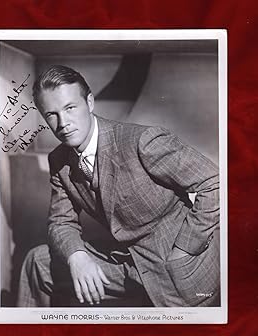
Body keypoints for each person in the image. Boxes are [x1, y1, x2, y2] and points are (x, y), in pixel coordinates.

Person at [17, 65, 220, 307]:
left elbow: (214, 183)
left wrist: (185, 250)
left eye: (70, 108)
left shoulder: (142, 141)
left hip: (179, 269)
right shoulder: (59, 160)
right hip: (124, 263)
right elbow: (61, 221)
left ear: (90, 102)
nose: (63, 123)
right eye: (51, 114)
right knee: (38, 262)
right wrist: (77, 257)